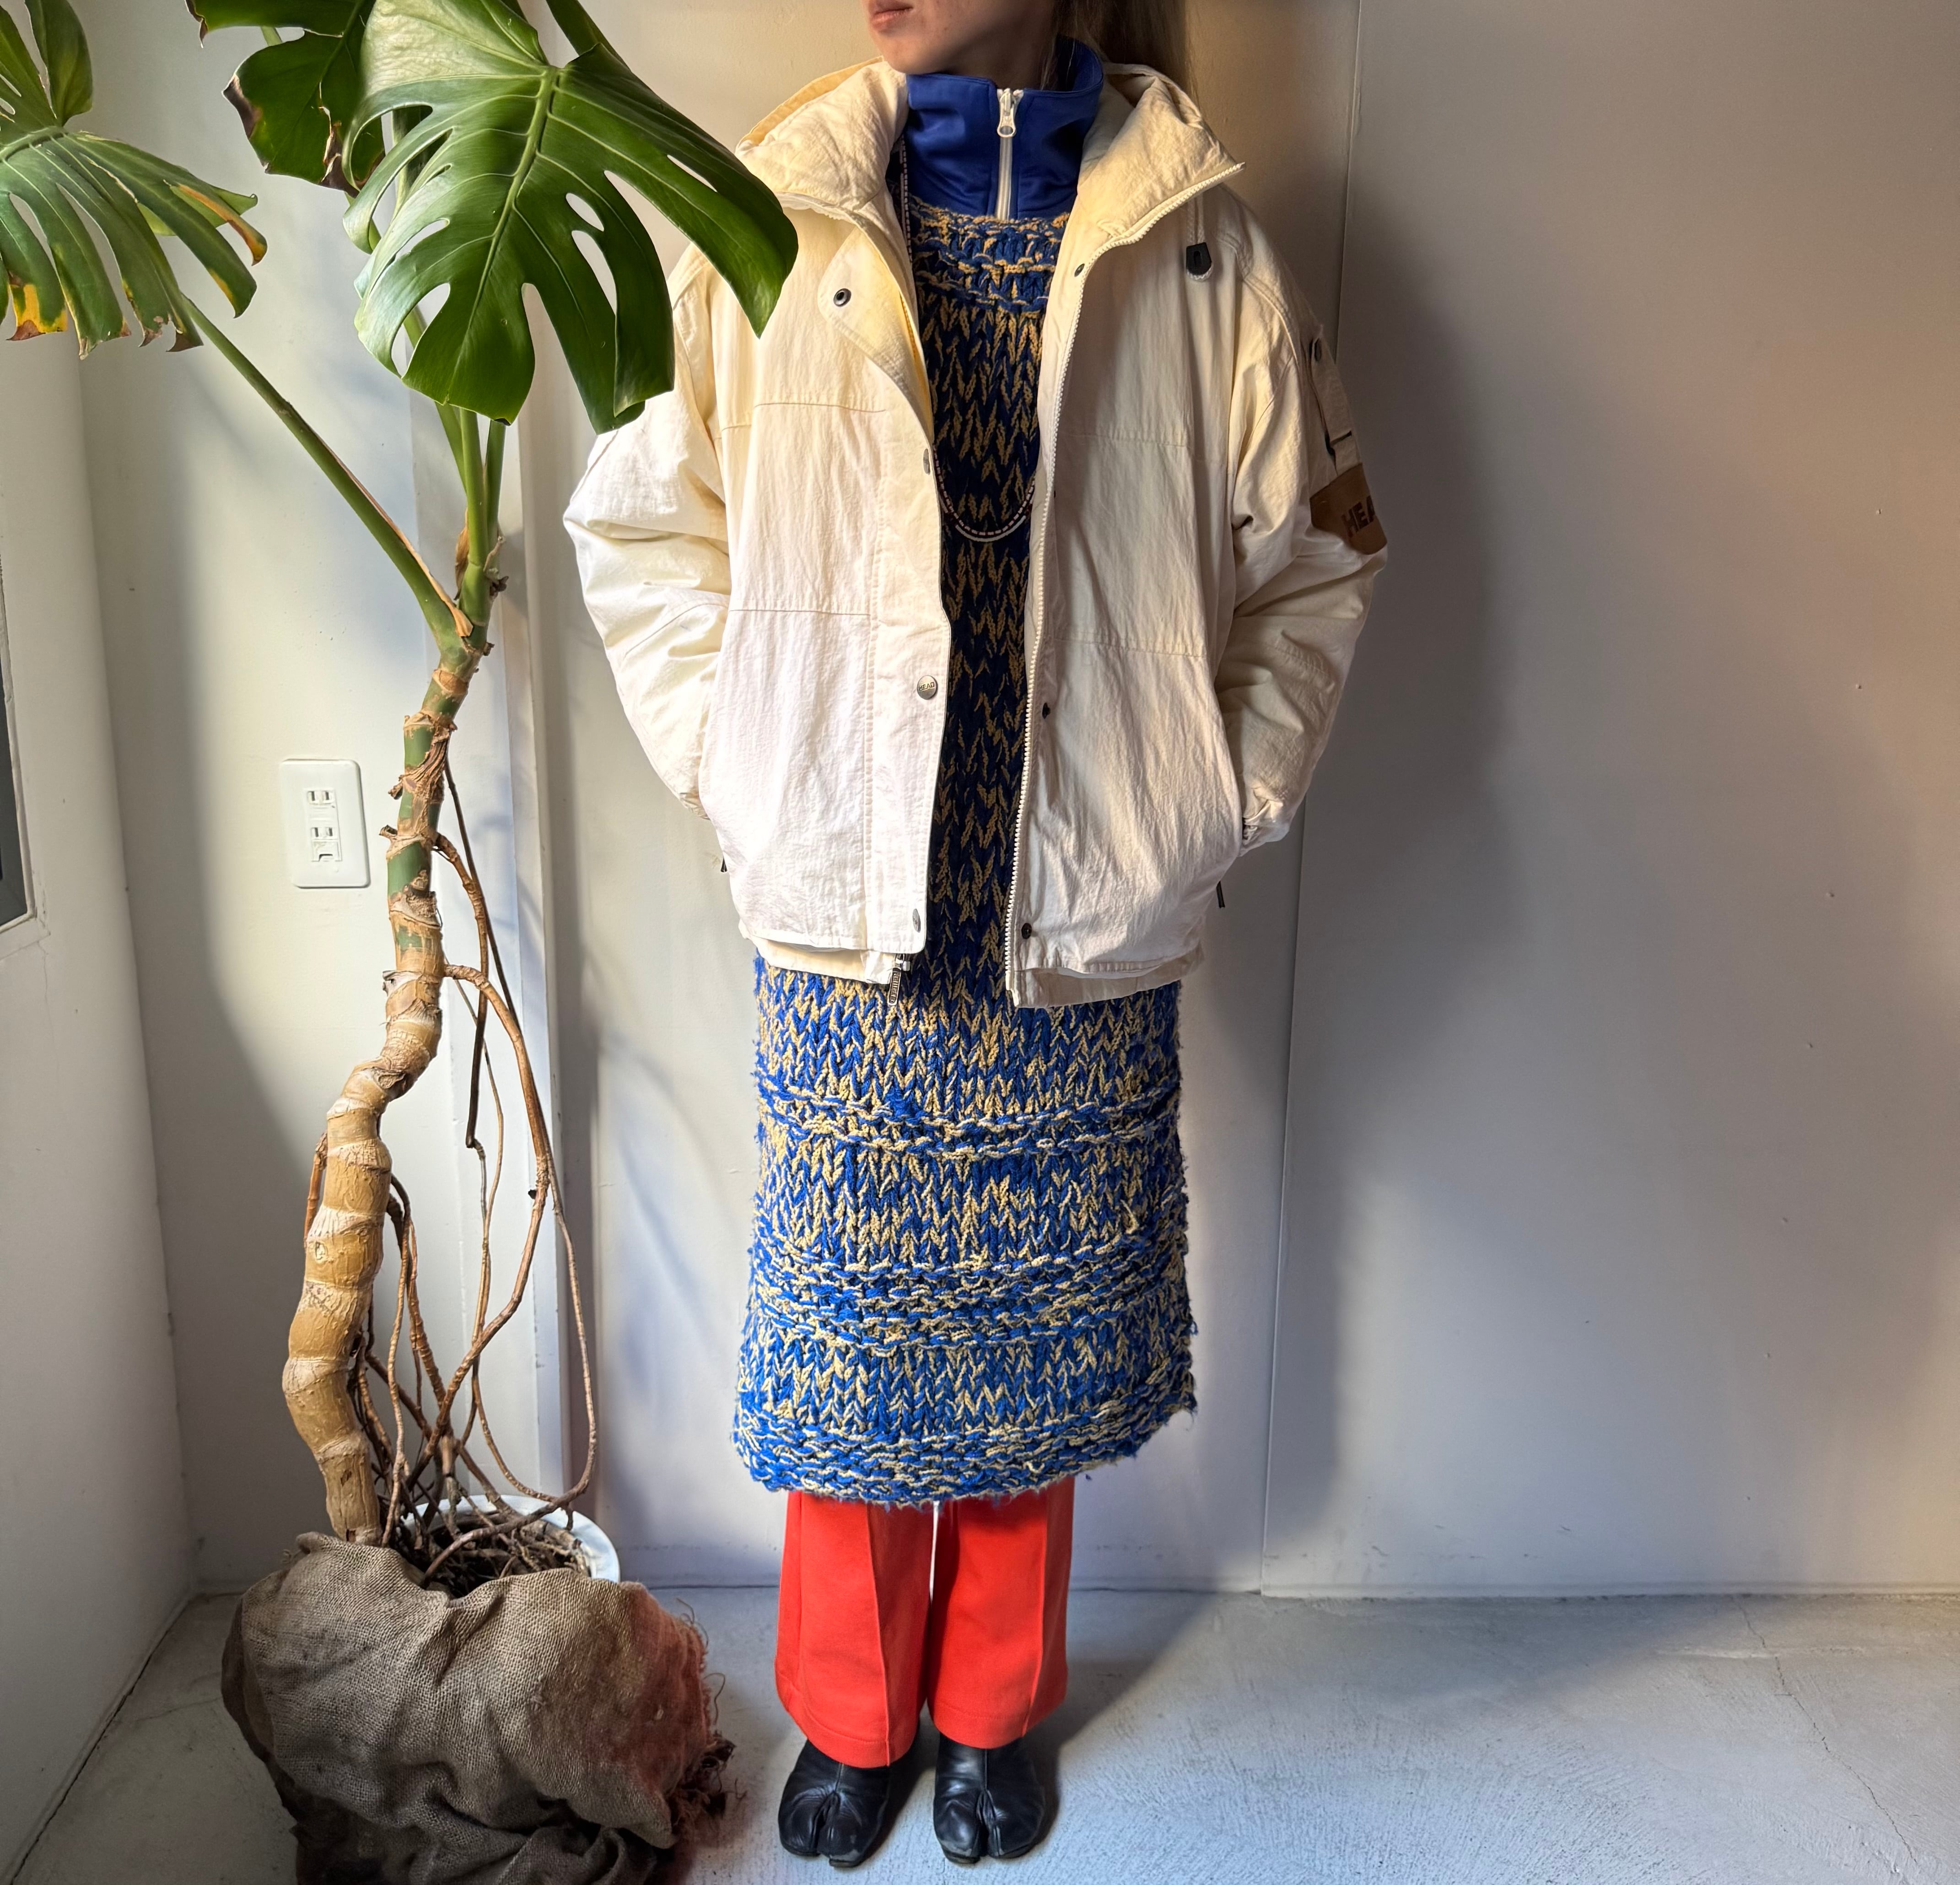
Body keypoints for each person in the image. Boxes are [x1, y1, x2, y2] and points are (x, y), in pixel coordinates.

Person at [565, 0, 1385, 1863]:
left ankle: (991, 1708)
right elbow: (645, 527)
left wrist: (1213, 793)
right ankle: (854, 1717)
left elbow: (1320, 552)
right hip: (853, 904)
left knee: (1040, 1340)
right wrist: (734, 764)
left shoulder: (1196, 238)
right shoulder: (770, 214)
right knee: (852, 1339)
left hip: (1080, 893)